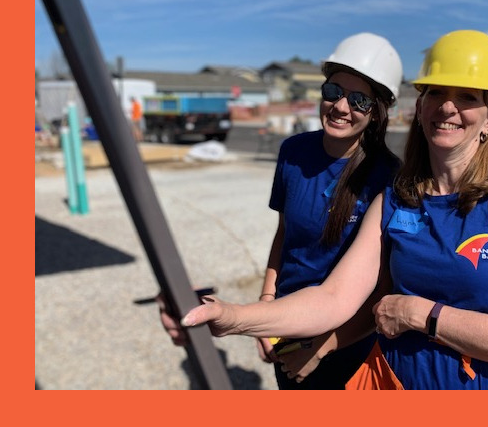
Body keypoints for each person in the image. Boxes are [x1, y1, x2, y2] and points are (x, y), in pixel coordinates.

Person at [181, 30, 488, 390]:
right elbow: (333, 298)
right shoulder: (396, 197)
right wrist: (236, 317)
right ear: (421, 106)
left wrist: (421, 315)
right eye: (436, 93)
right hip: (391, 385)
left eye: (467, 97)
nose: (448, 107)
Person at [161, 32, 404, 389]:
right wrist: (266, 308)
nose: (340, 107)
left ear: (378, 111)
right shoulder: (293, 153)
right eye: (333, 91)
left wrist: (323, 347)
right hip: (287, 328)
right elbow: (284, 236)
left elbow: (383, 287)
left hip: (350, 344)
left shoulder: (389, 176)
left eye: (359, 100)